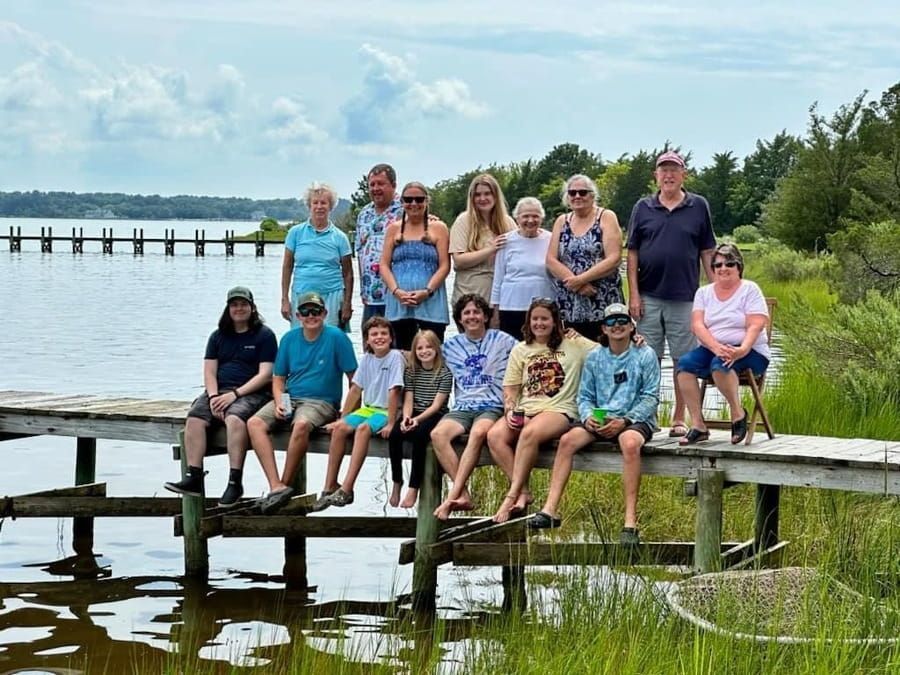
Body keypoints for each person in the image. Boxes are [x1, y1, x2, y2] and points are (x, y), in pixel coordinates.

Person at [529, 303, 660, 546]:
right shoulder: (595, 356)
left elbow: (651, 396)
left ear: (632, 326)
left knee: (629, 443)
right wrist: (589, 416)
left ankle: (630, 522)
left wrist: (625, 420)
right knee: (568, 440)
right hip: (600, 417)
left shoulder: (645, 354)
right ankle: (550, 509)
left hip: (634, 419)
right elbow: (585, 396)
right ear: (604, 328)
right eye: (611, 322)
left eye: (622, 321)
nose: (617, 326)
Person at [626, 151, 716, 438]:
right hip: (649, 296)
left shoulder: (698, 206)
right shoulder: (642, 207)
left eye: (674, 170)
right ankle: (647, 417)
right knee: (647, 359)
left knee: (683, 360)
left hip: (686, 297)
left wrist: (713, 295)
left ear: (683, 174)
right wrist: (634, 296)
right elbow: (632, 254)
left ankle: (679, 418)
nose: (668, 175)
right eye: (663, 170)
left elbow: (707, 251)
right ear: (656, 175)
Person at [486, 299, 597, 522]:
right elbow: (510, 388)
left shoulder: (574, 344)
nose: (539, 323)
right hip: (526, 409)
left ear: (555, 321)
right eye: (535, 319)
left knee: (529, 434)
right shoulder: (521, 349)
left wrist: (636, 338)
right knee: (494, 435)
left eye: (544, 319)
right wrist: (509, 410)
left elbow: (609, 348)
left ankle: (510, 497)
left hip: (559, 410)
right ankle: (524, 491)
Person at [165, 286, 277, 507]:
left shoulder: (265, 335)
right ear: (228, 308)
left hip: (251, 392)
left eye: (243, 304)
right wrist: (214, 395)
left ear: (252, 308)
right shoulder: (217, 336)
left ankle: (235, 482)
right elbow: (209, 371)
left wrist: (234, 395)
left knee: (235, 419)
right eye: (234, 305)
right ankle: (193, 476)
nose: (239, 308)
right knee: (195, 418)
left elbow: (265, 375)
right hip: (219, 390)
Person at [247, 292, 357, 513]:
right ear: (297, 315)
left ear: (324, 313)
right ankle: (276, 486)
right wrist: (279, 401)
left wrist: (346, 413)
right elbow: (278, 378)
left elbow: (355, 380)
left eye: (316, 311)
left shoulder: (337, 337)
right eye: (305, 311)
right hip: (291, 397)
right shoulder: (289, 339)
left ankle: (284, 487)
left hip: (322, 402)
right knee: (253, 423)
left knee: (301, 425)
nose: (311, 316)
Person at [431, 294, 518, 520]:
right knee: (438, 434)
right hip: (462, 406)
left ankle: (452, 495)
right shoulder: (450, 347)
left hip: (491, 404)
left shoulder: (503, 340)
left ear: (486, 316)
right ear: (459, 319)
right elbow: (422, 355)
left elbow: (527, 355)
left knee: (479, 432)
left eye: (477, 312)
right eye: (467, 313)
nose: (472, 317)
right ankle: (464, 494)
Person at [676, 244, 770, 445]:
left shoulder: (750, 289)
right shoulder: (703, 292)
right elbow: (697, 325)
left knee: (720, 364)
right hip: (713, 348)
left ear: (739, 266)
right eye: (717, 265)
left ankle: (737, 414)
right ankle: (698, 425)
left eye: (729, 263)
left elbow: (756, 324)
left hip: (750, 349)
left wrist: (742, 349)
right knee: (684, 365)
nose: (723, 268)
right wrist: (716, 347)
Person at [312, 317, 406, 510]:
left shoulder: (395, 357)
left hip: (388, 410)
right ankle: (330, 485)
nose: (379, 337)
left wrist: (390, 423)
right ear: (367, 340)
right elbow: (355, 390)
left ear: (390, 338)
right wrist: (343, 417)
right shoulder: (367, 359)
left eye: (383, 334)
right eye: (374, 334)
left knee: (363, 429)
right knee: (339, 429)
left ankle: (347, 488)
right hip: (368, 408)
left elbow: (394, 391)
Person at [547, 174, 624, 338]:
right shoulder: (561, 221)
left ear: (592, 195)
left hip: (602, 299)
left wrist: (581, 279)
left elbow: (614, 258)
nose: (577, 196)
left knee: (606, 352)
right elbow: (551, 260)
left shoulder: (606, 217)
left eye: (582, 192)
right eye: (572, 193)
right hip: (569, 304)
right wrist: (577, 284)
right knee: (573, 355)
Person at [379, 182, 451, 349]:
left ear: (426, 201)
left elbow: (445, 265)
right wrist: (396, 291)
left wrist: (427, 291)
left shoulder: (439, 228)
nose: (413, 204)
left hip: (431, 304)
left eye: (419, 199)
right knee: (402, 356)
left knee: (432, 354)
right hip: (399, 305)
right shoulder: (393, 229)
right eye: (408, 199)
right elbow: (383, 264)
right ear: (402, 202)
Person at [388, 330, 453, 508]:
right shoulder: (411, 371)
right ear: (414, 351)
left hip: (434, 414)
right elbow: (408, 398)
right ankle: (397, 481)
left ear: (437, 349)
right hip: (414, 410)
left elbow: (437, 405)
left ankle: (413, 487)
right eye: (420, 348)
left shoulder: (445, 373)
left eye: (429, 347)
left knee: (420, 437)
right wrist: (407, 417)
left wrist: (418, 420)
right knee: (395, 435)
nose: (424, 351)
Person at [281, 182, 353, 330]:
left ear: (330, 206)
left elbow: (348, 273)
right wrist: (284, 299)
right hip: (301, 294)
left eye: (323, 203)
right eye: (315, 202)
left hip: (332, 296)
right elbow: (287, 267)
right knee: (300, 339)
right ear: (309, 205)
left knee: (331, 340)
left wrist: (347, 303)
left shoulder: (340, 237)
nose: (319, 206)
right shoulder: (295, 233)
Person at [490, 197, 556, 340]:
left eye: (535, 216)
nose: (530, 220)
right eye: (525, 216)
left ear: (541, 218)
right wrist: (495, 312)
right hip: (511, 307)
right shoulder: (505, 241)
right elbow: (498, 278)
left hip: (544, 307)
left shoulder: (551, 239)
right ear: (517, 218)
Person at [449, 173, 516, 313]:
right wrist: (491, 249)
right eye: (477, 195)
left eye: (487, 194)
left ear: (495, 196)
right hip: (468, 295)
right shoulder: (463, 221)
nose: (482, 198)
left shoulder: (507, 222)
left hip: (499, 297)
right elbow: (459, 261)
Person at [355, 164, 404, 328]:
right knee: (371, 347)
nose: (376, 188)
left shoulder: (406, 209)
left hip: (397, 296)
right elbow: (360, 254)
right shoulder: (364, 214)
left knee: (396, 348)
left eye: (380, 184)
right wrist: (362, 290)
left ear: (394, 185)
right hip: (370, 296)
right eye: (372, 184)